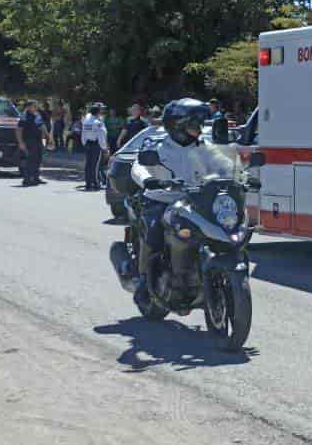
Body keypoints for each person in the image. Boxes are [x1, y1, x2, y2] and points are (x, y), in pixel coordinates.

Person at [129, 99, 237, 299]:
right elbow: (139, 166)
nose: (198, 128)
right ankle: (144, 281)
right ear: (177, 126)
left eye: (200, 124)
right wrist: (148, 179)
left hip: (194, 200)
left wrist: (239, 175)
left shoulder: (204, 146)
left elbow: (223, 163)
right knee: (154, 232)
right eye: (193, 124)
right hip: (161, 200)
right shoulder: (157, 145)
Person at [80, 103, 109, 191]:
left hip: (88, 144)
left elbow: (83, 133)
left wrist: (84, 143)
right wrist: (104, 147)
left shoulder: (87, 120)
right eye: (101, 110)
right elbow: (101, 136)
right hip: (96, 144)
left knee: (88, 164)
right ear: (98, 112)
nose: (103, 111)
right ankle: (96, 183)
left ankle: (88, 183)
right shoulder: (98, 122)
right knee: (95, 165)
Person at [15, 101, 46, 186]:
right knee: (29, 160)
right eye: (34, 106)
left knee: (38, 159)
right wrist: (21, 142)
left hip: (38, 140)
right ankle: (27, 179)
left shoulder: (37, 115)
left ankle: (36, 177)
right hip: (29, 140)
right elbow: (19, 130)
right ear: (28, 107)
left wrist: (46, 138)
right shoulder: (24, 116)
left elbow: (42, 126)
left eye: (36, 105)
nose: (36, 107)